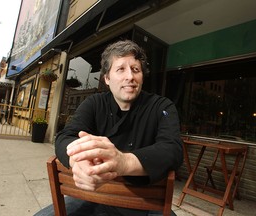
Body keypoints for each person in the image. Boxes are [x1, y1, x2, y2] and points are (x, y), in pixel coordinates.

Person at [35, 40, 183, 216]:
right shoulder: (94, 103)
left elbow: (172, 150)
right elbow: (65, 136)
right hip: (94, 194)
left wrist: (122, 162)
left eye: (136, 69)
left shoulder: (162, 106)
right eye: (121, 69)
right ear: (106, 78)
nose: (130, 76)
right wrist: (79, 162)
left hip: (143, 201)